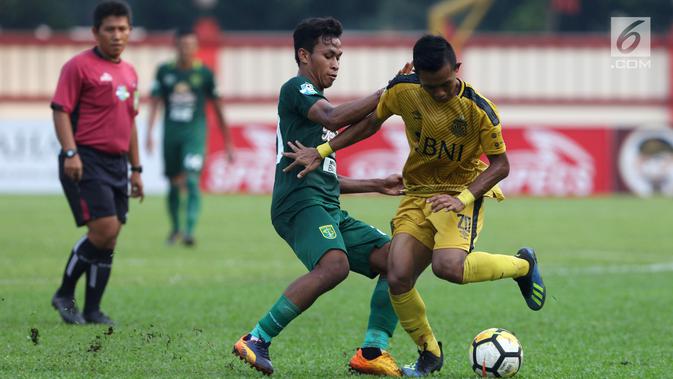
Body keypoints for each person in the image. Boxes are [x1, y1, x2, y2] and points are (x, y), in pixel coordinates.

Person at [283, 35, 547, 376]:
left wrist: (463, 198)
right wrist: (321, 152)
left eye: (445, 84)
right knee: (398, 275)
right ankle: (429, 354)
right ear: (418, 76)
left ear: (458, 69)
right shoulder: (405, 90)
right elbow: (370, 123)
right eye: (430, 85)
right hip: (417, 194)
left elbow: (501, 165)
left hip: (459, 192)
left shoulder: (479, 110)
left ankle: (523, 266)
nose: (439, 92)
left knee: (448, 268)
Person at [232, 17, 404, 377]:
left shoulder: (320, 111)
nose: (336, 63)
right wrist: (388, 89)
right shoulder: (297, 89)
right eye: (329, 55)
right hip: (297, 204)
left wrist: (376, 183)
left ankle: (372, 352)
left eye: (339, 56)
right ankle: (257, 338)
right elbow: (335, 115)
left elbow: (338, 159)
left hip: (326, 206)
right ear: (304, 55)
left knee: (396, 260)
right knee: (335, 265)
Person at [50, 0, 142, 326]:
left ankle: (92, 309)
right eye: (110, 29)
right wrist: (70, 152)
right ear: (96, 32)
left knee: (110, 238)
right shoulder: (78, 67)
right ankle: (63, 293)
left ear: (130, 31)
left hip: (118, 164)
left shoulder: (130, 72)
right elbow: (60, 110)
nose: (117, 35)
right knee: (104, 229)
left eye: (122, 29)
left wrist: (137, 169)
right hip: (87, 157)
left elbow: (130, 123)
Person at [146, 28, 234, 247]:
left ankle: (189, 231)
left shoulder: (204, 74)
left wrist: (228, 142)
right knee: (174, 182)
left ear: (196, 48)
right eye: (183, 45)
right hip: (171, 135)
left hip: (194, 135)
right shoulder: (164, 71)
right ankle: (175, 229)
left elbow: (219, 108)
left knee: (192, 180)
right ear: (175, 46)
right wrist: (149, 132)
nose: (186, 50)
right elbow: (155, 102)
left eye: (191, 45)